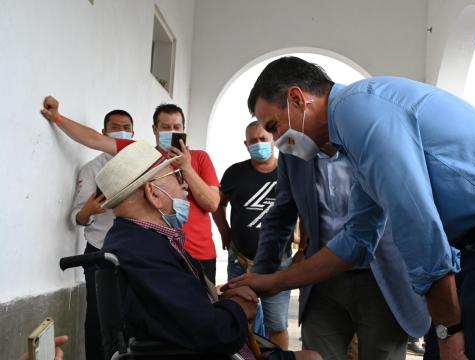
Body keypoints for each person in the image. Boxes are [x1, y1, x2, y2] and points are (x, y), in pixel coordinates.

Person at [225, 56, 475, 360]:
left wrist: (448, 330)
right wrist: (276, 281)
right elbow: (357, 239)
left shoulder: (358, 110)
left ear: (297, 99)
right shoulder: (352, 132)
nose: (278, 139)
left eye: (273, 126)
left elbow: (417, 223)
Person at [95, 141, 318, 360]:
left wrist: (220, 297)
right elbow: (210, 332)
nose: (184, 186)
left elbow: (178, 306)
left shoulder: (139, 239)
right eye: (176, 176)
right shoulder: (142, 248)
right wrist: (238, 308)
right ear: (152, 193)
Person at [251, 145, 429, 359]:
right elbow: (281, 216)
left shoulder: (365, 138)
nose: (279, 136)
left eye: (274, 125)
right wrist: (259, 278)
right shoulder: (293, 153)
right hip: (321, 281)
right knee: (316, 355)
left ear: (299, 109)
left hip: (381, 280)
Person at [40, 97, 221, 282]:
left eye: (177, 127)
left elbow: (213, 203)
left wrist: (187, 167)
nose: (172, 132)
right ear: (155, 129)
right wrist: (57, 117)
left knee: (203, 306)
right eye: (166, 127)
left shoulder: (200, 158)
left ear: (184, 128)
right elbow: (94, 139)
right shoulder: (140, 155)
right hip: (156, 253)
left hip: (199, 252)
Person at [213, 121, 292, 349]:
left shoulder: (289, 172)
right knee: (238, 320)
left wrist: (305, 246)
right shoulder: (234, 173)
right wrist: (224, 231)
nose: (259, 144)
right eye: (253, 141)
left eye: (263, 139)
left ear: (274, 141)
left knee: (276, 325)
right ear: (245, 144)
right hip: (240, 261)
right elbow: (218, 204)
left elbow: (305, 208)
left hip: (278, 266)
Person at [69, 109, 134, 360]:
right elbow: (77, 218)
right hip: (99, 251)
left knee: (130, 314)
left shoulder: (140, 165)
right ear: (104, 132)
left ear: (133, 133)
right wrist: (88, 210)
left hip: (132, 251)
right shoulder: (91, 170)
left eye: (126, 127)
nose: (121, 131)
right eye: (115, 127)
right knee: (98, 317)